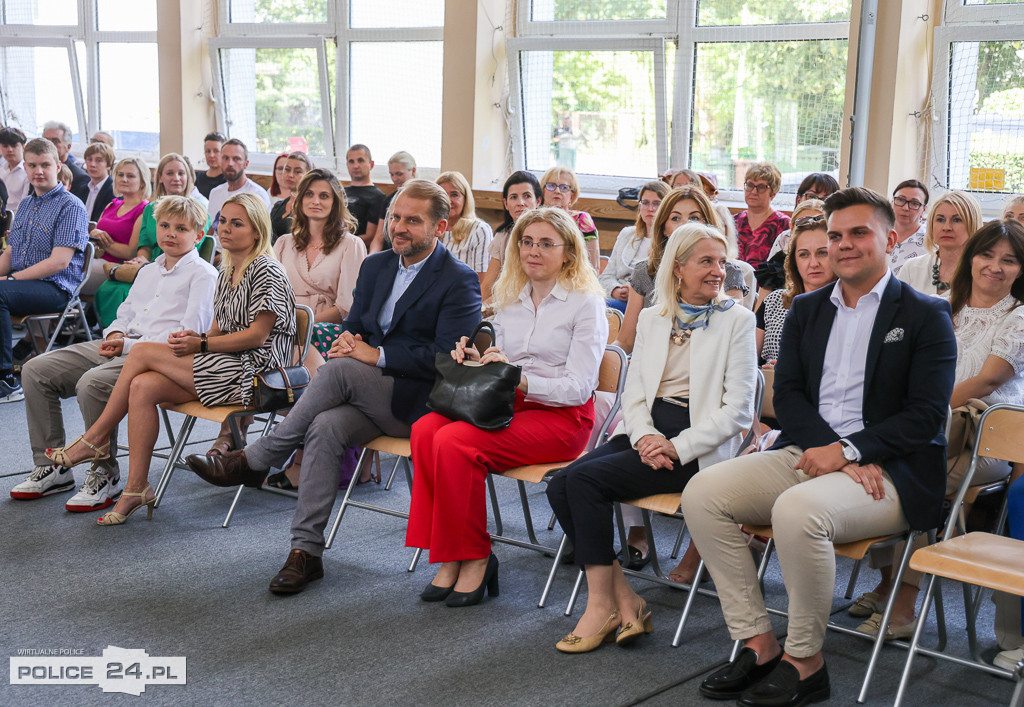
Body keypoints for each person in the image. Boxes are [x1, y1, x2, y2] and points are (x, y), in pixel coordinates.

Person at [679, 187, 957, 707]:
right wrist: (833, 448)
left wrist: (851, 452)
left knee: (798, 511)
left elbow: (924, 416)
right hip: (810, 452)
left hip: (892, 471)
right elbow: (789, 395)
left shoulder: (925, 314)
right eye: (835, 236)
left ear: (891, 238)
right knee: (702, 493)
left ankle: (805, 661)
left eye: (858, 233)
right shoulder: (806, 309)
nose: (843, 245)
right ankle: (759, 644)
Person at [184, 180, 481, 595]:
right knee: (325, 426)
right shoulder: (378, 266)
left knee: (336, 373)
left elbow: (447, 358)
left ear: (441, 227)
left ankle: (258, 457)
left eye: (413, 221)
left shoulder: (459, 280)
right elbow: (357, 325)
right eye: (396, 217)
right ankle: (305, 553)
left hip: (420, 402)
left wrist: (374, 356)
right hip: (367, 393)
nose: (399, 227)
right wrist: (348, 341)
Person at [546, 223, 756, 651]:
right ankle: (624, 598)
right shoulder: (655, 318)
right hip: (646, 433)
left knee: (582, 482)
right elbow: (634, 394)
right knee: (561, 483)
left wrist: (676, 447)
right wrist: (645, 438)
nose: (719, 271)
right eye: (707, 262)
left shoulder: (737, 320)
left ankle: (601, 602)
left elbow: (738, 411)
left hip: (698, 445)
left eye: (722, 262)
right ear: (678, 268)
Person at [43, 193, 295, 526]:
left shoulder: (266, 270)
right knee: (143, 385)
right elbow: (219, 328)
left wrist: (201, 343)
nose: (227, 229)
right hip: (226, 364)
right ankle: (136, 488)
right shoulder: (228, 268)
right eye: (223, 221)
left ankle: (94, 439)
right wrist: (196, 342)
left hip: (255, 375)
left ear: (258, 230)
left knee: (145, 352)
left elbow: (258, 337)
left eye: (237, 223)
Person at [408, 206, 607, 607]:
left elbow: (579, 388)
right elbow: (500, 362)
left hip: (563, 419)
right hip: (508, 404)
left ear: (568, 252)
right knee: (425, 430)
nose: (532, 251)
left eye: (545, 243)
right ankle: (450, 552)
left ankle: (476, 555)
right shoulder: (509, 297)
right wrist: (476, 360)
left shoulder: (585, 304)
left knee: (455, 441)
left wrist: (518, 377)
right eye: (526, 242)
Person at [851, 219, 1024, 639]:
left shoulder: (1019, 315)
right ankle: (890, 581)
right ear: (971, 258)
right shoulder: (942, 305)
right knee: (886, 463)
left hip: (984, 441)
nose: (995, 267)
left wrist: (918, 413)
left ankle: (904, 600)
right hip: (931, 433)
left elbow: (987, 380)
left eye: (1010, 260)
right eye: (986, 255)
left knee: (915, 473)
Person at [11, 196, 217, 512]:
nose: (170, 233)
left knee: (92, 384)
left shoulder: (203, 274)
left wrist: (129, 345)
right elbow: (125, 312)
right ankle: (52, 468)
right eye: (164, 226)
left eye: (181, 228)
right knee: (36, 370)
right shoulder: (149, 270)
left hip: (159, 357)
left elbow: (188, 334)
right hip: (122, 344)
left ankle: (105, 475)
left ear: (198, 234)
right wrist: (117, 332)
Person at [264, 169, 367, 490]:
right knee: (251, 344)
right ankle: (233, 444)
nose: (316, 201)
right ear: (299, 199)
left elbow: (347, 307)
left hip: (328, 329)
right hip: (280, 326)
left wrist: (302, 322)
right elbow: (269, 292)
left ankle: (293, 457)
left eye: (324, 195)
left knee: (299, 347)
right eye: (310, 194)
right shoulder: (282, 243)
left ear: (336, 202)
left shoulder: (351, 245)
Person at [0, 138, 89, 402]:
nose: (39, 171)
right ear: (25, 168)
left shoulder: (70, 205)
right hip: (22, 285)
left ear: (58, 166)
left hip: (56, 287)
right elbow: (10, 252)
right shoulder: (26, 205)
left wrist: (11, 278)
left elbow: (58, 262)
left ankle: (6, 380)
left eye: (45, 165)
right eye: (33, 165)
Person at [93, 153, 212, 327]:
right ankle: (114, 333)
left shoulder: (198, 210)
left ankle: (136, 332)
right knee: (108, 288)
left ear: (188, 177)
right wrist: (142, 258)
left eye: (181, 173)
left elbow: (189, 248)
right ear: (161, 178)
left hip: (179, 267)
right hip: (148, 265)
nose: (176, 178)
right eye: (170, 173)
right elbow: (144, 244)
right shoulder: (150, 209)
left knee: (122, 290)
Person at [756, 211, 836, 367]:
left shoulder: (849, 307)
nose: (813, 263)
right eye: (804, 254)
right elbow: (747, 361)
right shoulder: (774, 301)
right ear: (794, 261)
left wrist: (791, 368)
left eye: (822, 253)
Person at [82, 157, 151, 295]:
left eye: (130, 176)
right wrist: (94, 234)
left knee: (60, 273)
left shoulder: (144, 210)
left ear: (142, 182)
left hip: (115, 267)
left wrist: (101, 241)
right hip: (93, 257)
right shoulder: (112, 205)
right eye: (120, 175)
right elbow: (93, 234)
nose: (123, 179)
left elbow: (130, 252)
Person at [599, 180, 670, 313]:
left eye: (656, 204)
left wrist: (634, 293)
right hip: (617, 299)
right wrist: (615, 290)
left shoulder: (671, 240)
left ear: (667, 207)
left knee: (593, 307)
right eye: (645, 203)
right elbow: (605, 277)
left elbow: (664, 287)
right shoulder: (627, 234)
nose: (650, 208)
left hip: (645, 305)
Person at [898, 190, 982, 296]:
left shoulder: (983, 273)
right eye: (940, 220)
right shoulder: (912, 267)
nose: (946, 227)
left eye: (957, 220)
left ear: (972, 224)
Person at [481, 171, 542, 304]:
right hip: (500, 302)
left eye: (527, 196)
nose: (520, 202)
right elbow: (487, 285)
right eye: (513, 197)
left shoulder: (546, 237)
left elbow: (524, 287)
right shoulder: (502, 236)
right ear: (506, 204)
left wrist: (487, 307)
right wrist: (477, 310)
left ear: (538, 201)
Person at [437, 170, 493, 284]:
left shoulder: (479, 230)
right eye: (442, 195)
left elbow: (482, 283)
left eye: (454, 195)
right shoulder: (431, 229)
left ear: (465, 199)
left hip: (463, 299)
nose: (448, 201)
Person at [540, 166, 600, 270]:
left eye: (564, 187)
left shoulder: (583, 220)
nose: (557, 191)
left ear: (572, 196)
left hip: (575, 280)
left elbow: (593, 267)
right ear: (543, 191)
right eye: (551, 186)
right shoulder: (534, 219)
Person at [206, 138, 271, 234]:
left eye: (236, 159)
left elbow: (262, 234)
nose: (230, 164)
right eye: (225, 158)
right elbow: (212, 229)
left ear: (246, 164)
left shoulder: (257, 194)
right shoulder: (215, 192)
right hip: (217, 248)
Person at [670, 169, 738, 257]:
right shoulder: (668, 211)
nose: (683, 189)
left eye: (688, 185)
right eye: (678, 186)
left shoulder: (716, 211)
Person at [735, 161, 790, 269]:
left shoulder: (783, 224)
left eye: (761, 187)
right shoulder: (733, 222)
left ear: (773, 193)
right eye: (750, 185)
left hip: (767, 285)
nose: (754, 192)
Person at [369, 151, 417, 254]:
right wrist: (370, 257)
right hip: (390, 253)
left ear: (413, 171)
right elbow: (378, 238)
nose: (395, 179)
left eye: (399, 174)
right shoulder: (389, 199)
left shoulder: (422, 199)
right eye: (392, 174)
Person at [344, 144, 386, 248]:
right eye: (351, 161)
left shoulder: (378, 197)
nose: (356, 166)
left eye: (360, 160)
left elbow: (370, 237)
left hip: (356, 249)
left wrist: (340, 244)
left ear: (371, 164)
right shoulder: (340, 192)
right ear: (347, 165)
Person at [886, 179, 930, 275]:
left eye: (914, 203)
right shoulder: (879, 234)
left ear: (923, 210)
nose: (905, 208)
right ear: (892, 202)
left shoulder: (931, 242)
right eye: (900, 200)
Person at [269, 152, 313, 242]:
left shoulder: (310, 208)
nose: (290, 175)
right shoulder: (278, 206)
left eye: (297, 172)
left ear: (308, 174)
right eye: (287, 169)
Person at [42, 121, 89, 195]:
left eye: (55, 141)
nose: (49, 145)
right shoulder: (37, 172)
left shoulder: (79, 178)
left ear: (68, 147)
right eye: (46, 141)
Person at [74, 141, 115, 223]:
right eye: (89, 159)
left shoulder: (113, 191)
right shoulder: (82, 188)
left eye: (98, 160)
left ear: (109, 165)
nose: (92, 164)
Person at [0, 126, 29, 214]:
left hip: (16, 218)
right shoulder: (1, 169)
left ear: (23, 147)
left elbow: (25, 205)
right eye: (5, 146)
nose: (9, 150)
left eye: (14, 145)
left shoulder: (28, 171)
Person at [194, 132, 227, 198]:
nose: (211, 155)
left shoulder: (228, 181)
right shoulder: (196, 178)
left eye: (216, 151)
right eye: (208, 151)